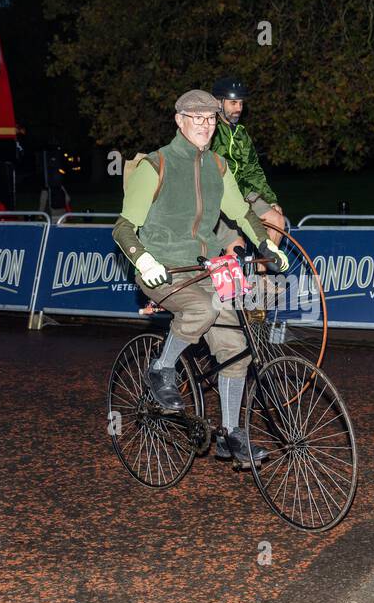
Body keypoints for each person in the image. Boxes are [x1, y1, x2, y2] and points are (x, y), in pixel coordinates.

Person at [112, 89, 290, 464]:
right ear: (180, 121)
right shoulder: (156, 166)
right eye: (196, 118)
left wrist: (265, 245)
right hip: (163, 271)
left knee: (236, 346)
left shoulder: (219, 168)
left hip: (203, 270)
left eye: (209, 119)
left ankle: (230, 434)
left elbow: (242, 213)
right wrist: (143, 259)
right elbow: (124, 228)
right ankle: (161, 368)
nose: (204, 125)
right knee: (203, 310)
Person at [209, 77, 286, 247]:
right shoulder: (209, 129)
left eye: (241, 103)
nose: (238, 108)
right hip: (219, 198)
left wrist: (271, 199)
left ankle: (262, 273)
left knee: (277, 221)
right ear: (218, 102)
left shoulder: (241, 134)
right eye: (233, 103)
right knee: (236, 248)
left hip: (243, 192)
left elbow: (253, 170)